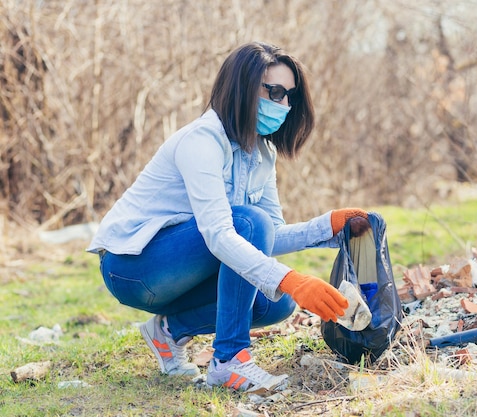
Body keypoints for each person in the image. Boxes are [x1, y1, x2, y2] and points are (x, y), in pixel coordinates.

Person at [87, 41, 369, 393]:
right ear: (243, 86)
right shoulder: (202, 141)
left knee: (275, 303)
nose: (284, 105)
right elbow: (224, 234)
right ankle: (229, 362)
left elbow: (268, 235)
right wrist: (294, 278)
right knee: (251, 227)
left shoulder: (262, 152)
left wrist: (326, 227)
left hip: (181, 271)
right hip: (132, 267)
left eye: (289, 96)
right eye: (276, 92)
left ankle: (169, 332)